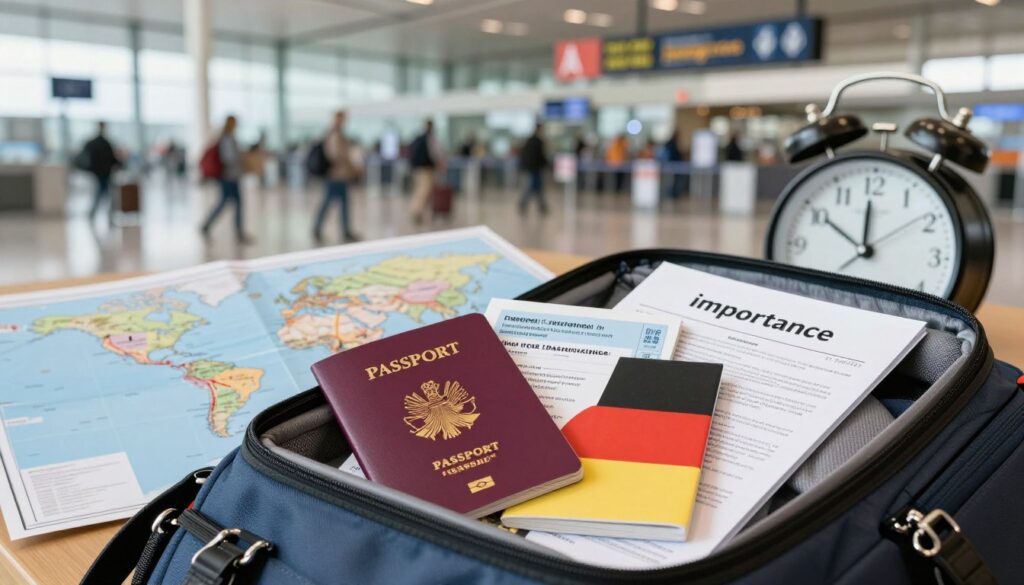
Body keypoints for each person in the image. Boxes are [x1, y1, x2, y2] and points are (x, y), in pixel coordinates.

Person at [201, 115, 252, 243]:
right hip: (228, 177)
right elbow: (228, 158)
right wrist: (242, 158)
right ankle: (207, 226)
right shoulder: (227, 139)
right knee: (226, 203)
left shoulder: (226, 138)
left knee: (233, 203)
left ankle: (237, 232)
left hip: (231, 176)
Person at [313, 111, 360, 243]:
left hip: (341, 175)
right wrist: (351, 166)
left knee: (343, 203)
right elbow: (335, 155)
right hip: (335, 175)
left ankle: (345, 230)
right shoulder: (335, 135)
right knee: (328, 202)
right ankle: (318, 228)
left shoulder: (337, 134)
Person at [81, 121, 121, 221]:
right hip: (103, 172)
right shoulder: (103, 142)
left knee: (103, 192)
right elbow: (111, 158)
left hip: (100, 172)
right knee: (104, 192)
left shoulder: (93, 142)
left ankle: (98, 213)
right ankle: (104, 213)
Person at [408, 120, 442, 223]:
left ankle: (419, 211)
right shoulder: (429, 139)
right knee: (423, 190)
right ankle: (416, 211)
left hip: (419, 168)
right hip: (425, 169)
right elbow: (434, 154)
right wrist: (438, 164)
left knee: (421, 190)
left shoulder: (419, 138)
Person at [518, 122, 548, 216]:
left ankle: (541, 206)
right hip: (533, 169)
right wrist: (547, 164)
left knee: (536, 189)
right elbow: (540, 156)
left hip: (530, 169)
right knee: (531, 188)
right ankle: (527, 205)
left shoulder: (530, 140)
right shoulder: (538, 141)